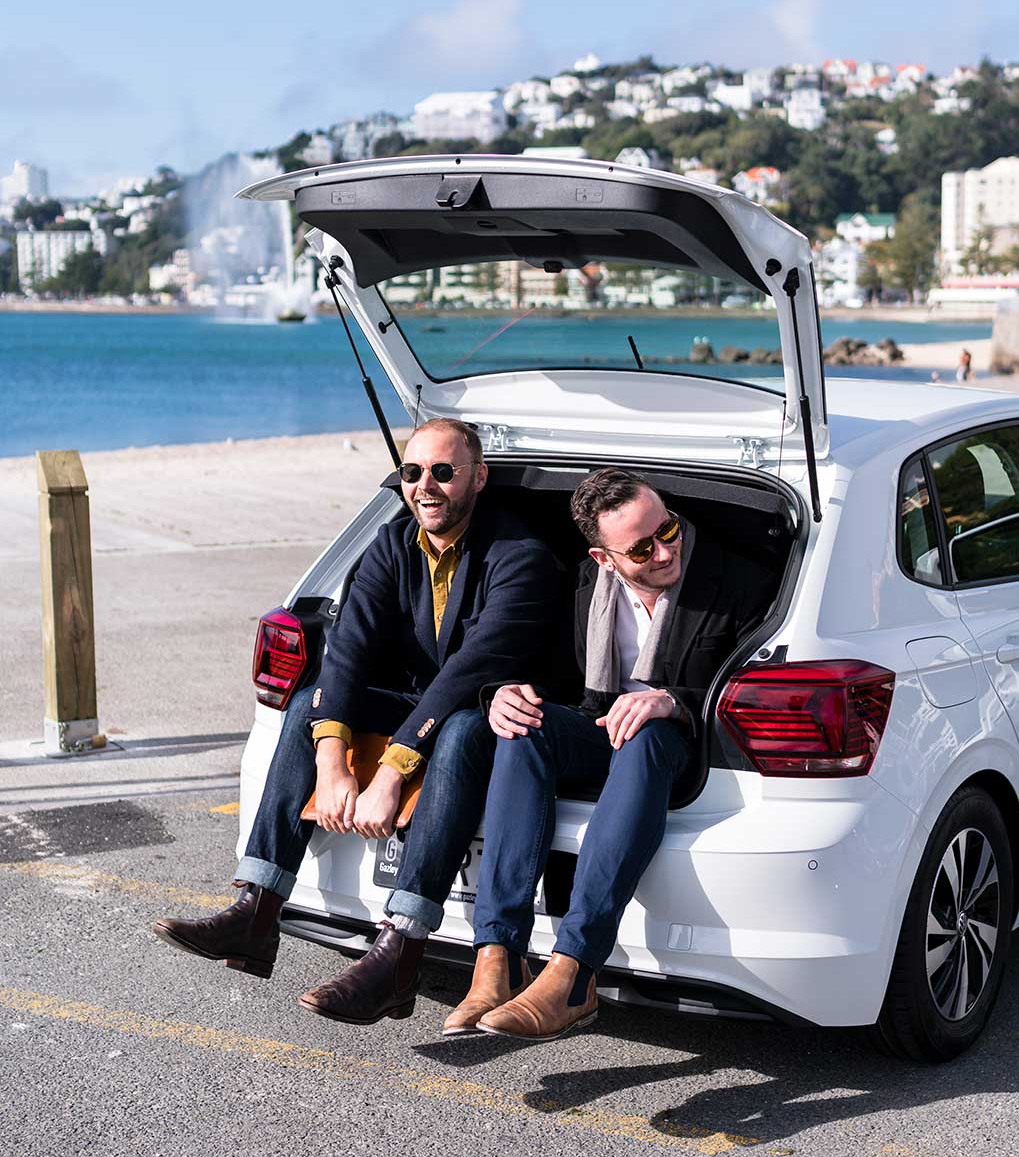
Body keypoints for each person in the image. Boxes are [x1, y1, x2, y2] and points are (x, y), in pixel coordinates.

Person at [153, 419, 562, 1024]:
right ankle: (257, 910)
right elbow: (347, 649)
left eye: (443, 472)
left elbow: (468, 673)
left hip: (496, 712)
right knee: (308, 705)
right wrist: (332, 762)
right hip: (419, 703)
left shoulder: (521, 557)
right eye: (412, 472)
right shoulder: (392, 542)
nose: (425, 486)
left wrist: (390, 774)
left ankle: (401, 951)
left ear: (479, 478)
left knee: (459, 729)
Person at [442, 467, 773, 1043]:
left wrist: (672, 701)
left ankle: (574, 970)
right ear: (604, 558)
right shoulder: (583, 587)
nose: (664, 551)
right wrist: (505, 693)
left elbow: (754, 691)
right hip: (604, 731)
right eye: (641, 548)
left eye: (667, 529)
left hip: (684, 745)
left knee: (645, 734)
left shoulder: (741, 582)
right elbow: (552, 676)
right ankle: (498, 956)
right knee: (525, 727)